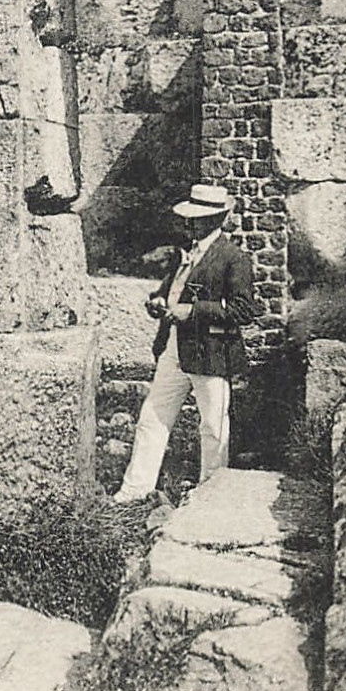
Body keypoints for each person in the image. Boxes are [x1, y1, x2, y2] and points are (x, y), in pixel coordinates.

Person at [113, 183, 262, 504]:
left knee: (212, 427)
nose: (190, 224)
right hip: (175, 348)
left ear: (217, 219)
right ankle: (133, 490)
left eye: (198, 218)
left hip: (211, 353)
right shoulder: (186, 253)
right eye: (190, 218)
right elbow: (171, 291)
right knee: (153, 417)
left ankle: (211, 495)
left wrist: (193, 311)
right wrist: (159, 301)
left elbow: (244, 309)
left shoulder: (233, 259)